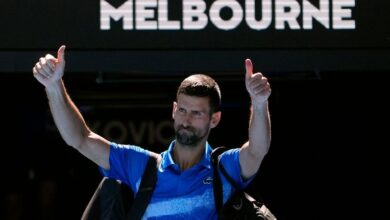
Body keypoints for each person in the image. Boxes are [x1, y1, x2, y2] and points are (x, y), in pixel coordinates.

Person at [32, 45, 272, 219]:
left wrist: (259, 103)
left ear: (215, 119)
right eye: (183, 110)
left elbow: (257, 150)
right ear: (174, 110)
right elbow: (80, 139)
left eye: (197, 113)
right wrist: (54, 86)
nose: (186, 120)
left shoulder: (224, 169)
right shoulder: (141, 165)